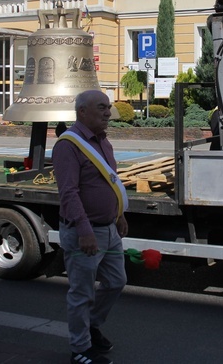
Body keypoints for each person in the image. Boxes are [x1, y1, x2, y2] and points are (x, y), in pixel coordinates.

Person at [53, 89, 128, 364]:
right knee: (82, 293)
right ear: (82, 111)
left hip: (109, 228)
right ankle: (80, 350)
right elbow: (69, 193)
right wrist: (84, 230)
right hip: (84, 232)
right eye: (101, 107)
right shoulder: (68, 145)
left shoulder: (103, 141)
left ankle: (91, 325)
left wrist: (119, 214)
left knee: (117, 281)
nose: (108, 112)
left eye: (108, 107)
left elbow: (111, 182)